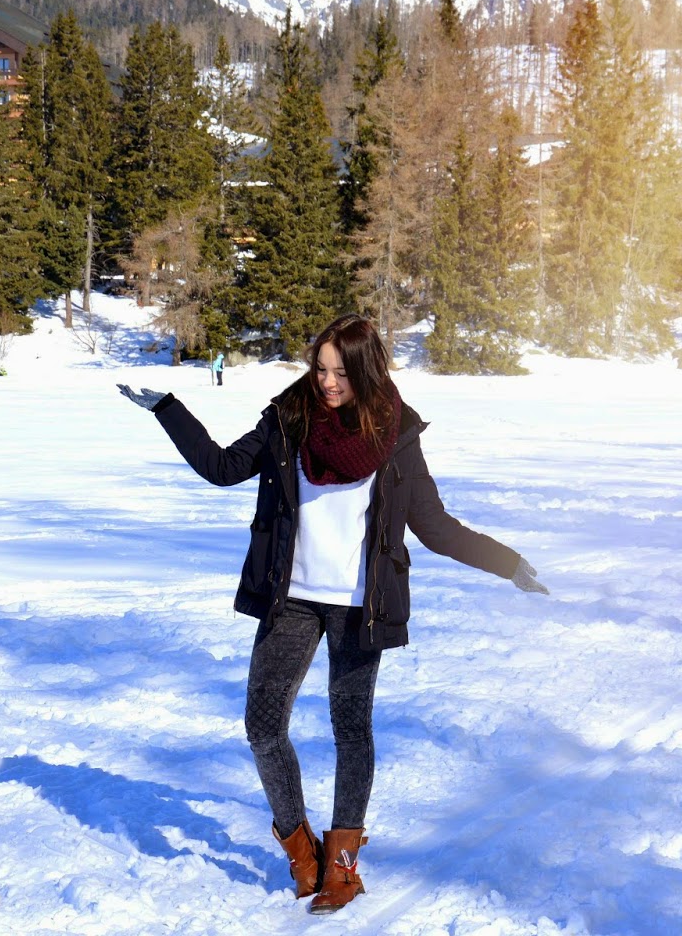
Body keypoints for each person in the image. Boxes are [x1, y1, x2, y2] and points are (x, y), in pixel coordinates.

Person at [117, 314, 546, 914]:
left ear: (366, 371)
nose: (326, 383)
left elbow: (434, 526)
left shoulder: (397, 435)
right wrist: (168, 409)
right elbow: (222, 468)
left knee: (351, 729)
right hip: (290, 597)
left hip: (359, 607)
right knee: (263, 726)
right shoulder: (289, 417)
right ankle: (301, 851)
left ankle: (342, 865)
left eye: (340, 372)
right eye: (320, 369)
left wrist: (508, 563)